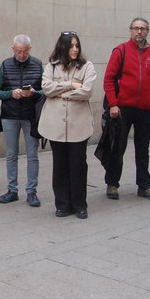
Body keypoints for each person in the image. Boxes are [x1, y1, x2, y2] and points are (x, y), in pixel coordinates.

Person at [103, 17, 150, 201]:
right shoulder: (120, 51)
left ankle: (144, 185)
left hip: (146, 109)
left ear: (148, 31)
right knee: (118, 147)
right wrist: (114, 103)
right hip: (123, 108)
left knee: (143, 148)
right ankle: (112, 183)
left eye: (143, 28)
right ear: (130, 30)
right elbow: (108, 78)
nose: (139, 31)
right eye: (136, 28)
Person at [38, 32, 97, 219]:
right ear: (63, 47)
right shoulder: (51, 67)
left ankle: (80, 204)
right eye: (71, 46)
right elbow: (47, 88)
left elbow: (87, 91)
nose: (75, 49)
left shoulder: (87, 66)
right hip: (55, 125)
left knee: (78, 164)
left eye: (77, 46)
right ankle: (62, 204)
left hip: (78, 125)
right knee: (60, 165)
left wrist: (61, 93)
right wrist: (71, 85)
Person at [0, 34, 44, 207]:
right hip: (10, 115)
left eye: (25, 51)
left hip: (31, 116)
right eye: (18, 51)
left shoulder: (37, 65)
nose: (21, 55)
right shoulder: (6, 65)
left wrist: (34, 92)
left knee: (32, 155)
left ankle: (32, 192)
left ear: (30, 49)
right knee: (11, 154)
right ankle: (12, 190)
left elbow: (46, 90)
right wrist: (11, 94)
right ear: (12, 49)